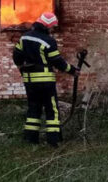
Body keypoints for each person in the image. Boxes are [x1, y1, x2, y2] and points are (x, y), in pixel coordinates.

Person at [12, 12, 78, 146]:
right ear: (47, 26)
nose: (53, 29)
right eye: (52, 27)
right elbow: (57, 61)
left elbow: (16, 56)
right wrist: (72, 70)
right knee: (51, 109)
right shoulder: (48, 41)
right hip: (45, 81)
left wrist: (22, 68)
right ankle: (54, 140)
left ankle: (31, 139)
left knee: (33, 108)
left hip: (29, 81)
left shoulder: (24, 37)